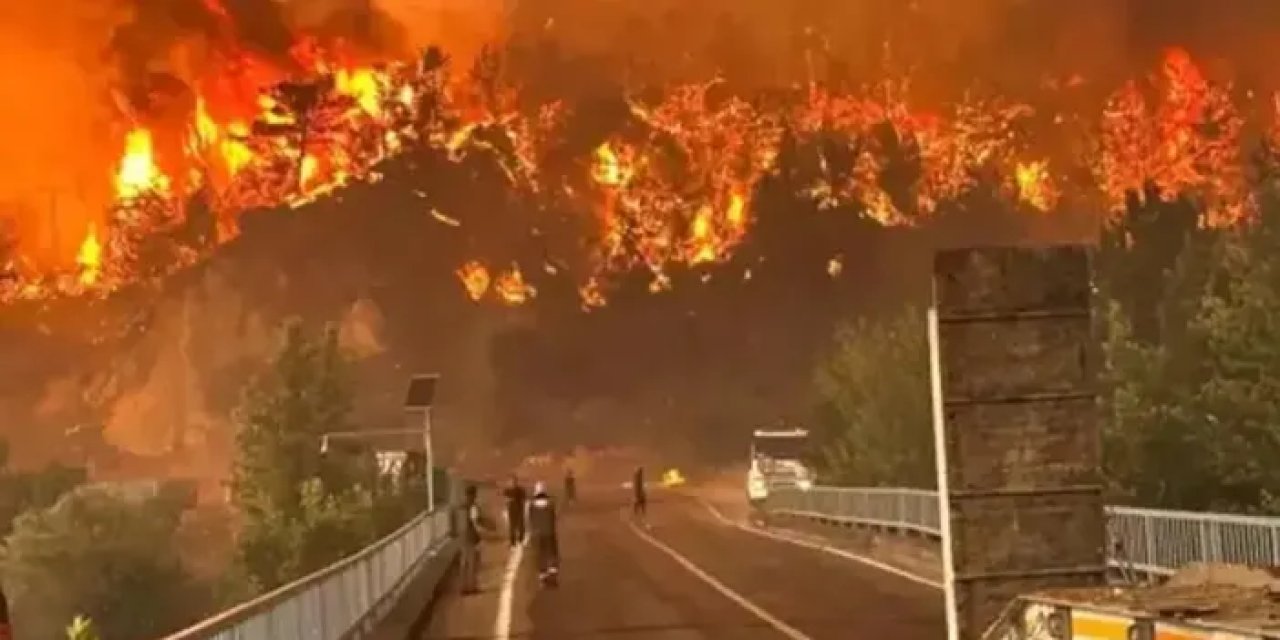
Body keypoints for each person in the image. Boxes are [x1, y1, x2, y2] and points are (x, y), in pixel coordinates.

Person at [527, 481, 560, 586]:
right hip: (549, 532)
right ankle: (552, 572)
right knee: (552, 553)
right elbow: (553, 517)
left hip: (537, 534)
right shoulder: (550, 504)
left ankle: (542, 575)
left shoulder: (531, 505)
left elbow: (530, 519)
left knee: (539, 555)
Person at [458, 483, 483, 595]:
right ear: (473, 495)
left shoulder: (461, 507)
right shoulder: (473, 507)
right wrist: (480, 535)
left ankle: (463, 587)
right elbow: (476, 522)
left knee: (464, 564)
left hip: (462, 537)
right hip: (472, 538)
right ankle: (472, 587)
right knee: (473, 563)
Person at [503, 475, 528, 546]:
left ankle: (521, 540)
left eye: (514, 481)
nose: (512, 483)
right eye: (511, 481)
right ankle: (512, 541)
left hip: (519, 510)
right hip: (511, 510)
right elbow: (505, 500)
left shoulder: (520, 490)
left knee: (520, 525)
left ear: (516, 482)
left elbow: (524, 499)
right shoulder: (507, 491)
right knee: (512, 526)